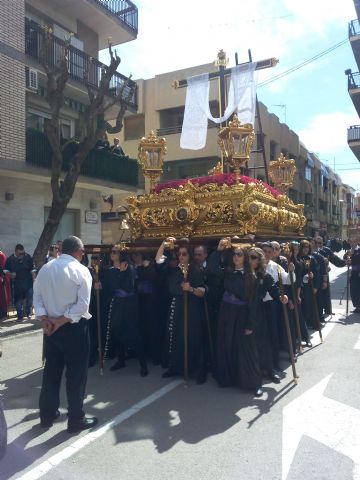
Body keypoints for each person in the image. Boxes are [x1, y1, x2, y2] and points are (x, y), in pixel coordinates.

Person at [33, 236, 97, 433]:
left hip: (51, 328)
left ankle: (47, 414)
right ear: (77, 251)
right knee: (76, 376)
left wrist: (46, 320)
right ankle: (76, 418)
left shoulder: (46, 268)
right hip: (72, 329)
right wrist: (59, 321)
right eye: (83, 251)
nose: (83, 254)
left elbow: (37, 297)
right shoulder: (81, 270)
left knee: (51, 372)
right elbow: (83, 306)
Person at [208, 240, 263, 397]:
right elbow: (212, 268)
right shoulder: (229, 272)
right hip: (226, 312)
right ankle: (226, 378)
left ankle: (254, 383)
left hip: (241, 314)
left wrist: (250, 324)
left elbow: (254, 303)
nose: (236, 257)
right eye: (234, 254)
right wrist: (218, 250)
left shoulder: (252, 277)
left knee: (246, 348)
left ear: (245, 257)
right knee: (225, 344)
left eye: (239, 254)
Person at [156, 237, 207, 384]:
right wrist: (164, 243)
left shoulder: (195, 270)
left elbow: (202, 292)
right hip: (177, 306)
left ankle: (198, 370)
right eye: (179, 254)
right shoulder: (173, 269)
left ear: (189, 255)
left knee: (193, 337)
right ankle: (175, 367)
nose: (181, 256)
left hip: (192, 308)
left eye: (184, 254)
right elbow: (159, 259)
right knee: (176, 337)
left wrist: (190, 289)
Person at [100, 247, 148, 376]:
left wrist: (122, 273)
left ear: (121, 254)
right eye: (111, 252)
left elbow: (128, 287)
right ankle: (121, 360)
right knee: (116, 330)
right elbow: (112, 287)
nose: (112, 254)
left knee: (133, 333)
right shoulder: (109, 271)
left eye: (115, 252)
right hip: (117, 304)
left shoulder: (130, 268)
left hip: (129, 305)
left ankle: (143, 364)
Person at [5, 244, 36, 321]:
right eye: (20, 254)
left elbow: (33, 269)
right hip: (16, 284)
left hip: (28, 283)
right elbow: (5, 271)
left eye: (23, 253)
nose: (21, 255)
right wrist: (10, 274)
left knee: (29, 300)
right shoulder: (10, 259)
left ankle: (28, 313)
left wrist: (34, 280)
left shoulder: (27, 257)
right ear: (15, 251)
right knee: (18, 302)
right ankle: (20, 316)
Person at [346, 237, 360, 313]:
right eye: (351, 242)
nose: (352, 244)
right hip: (354, 273)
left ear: (357, 242)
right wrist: (348, 259)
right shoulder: (349, 251)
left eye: (354, 242)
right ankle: (357, 306)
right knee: (353, 290)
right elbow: (344, 258)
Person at [0, 248, 10, 320]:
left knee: (2, 298)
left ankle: (3, 314)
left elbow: (2, 268)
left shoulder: (1, 255)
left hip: (2, 280)